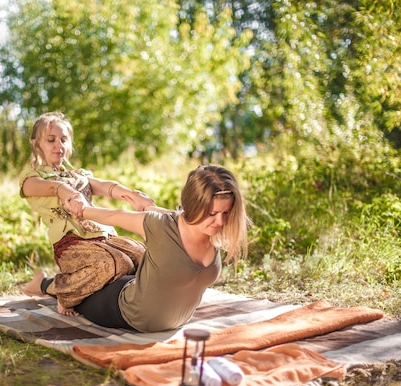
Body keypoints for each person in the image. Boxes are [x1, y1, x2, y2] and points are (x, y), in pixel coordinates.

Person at [35, 164, 250, 332]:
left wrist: (150, 206)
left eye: (226, 213)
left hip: (148, 297)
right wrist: (82, 211)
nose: (220, 222)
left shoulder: (211, 232)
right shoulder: (159, 226)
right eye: (212, 213)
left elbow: (177, 217)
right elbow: (116, 216)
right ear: (194, 206)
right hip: (123, 309)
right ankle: (44, 284)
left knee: (126, 268)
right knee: (91, 283)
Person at [19, 111, 155, 316]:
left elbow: (106, 186)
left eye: (64, 139)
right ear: (36, 143)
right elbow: (47, 187)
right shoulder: (32, 177)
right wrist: (67, 192)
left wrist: (131, 195)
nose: (59, 145)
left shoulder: (79, 175)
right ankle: (56, 290)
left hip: (103, 237)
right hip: (72, 242)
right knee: (114, 264)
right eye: (51, 140)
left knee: (142, 256)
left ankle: (111, 297)